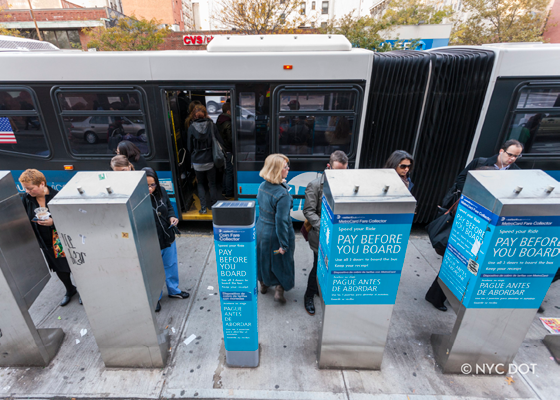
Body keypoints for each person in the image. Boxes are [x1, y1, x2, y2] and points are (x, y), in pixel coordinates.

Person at [19, 169, 81, 307]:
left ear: (42, 184)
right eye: (25, 188)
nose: (28, 191)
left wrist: (53, 222)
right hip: (44, 240)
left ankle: (83, 290)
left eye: (30, 188)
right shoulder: (27, 199)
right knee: (59, 268)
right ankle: (70, 290)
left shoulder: (57, 196)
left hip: (60, 239)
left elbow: (71, 219)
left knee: (72, 266)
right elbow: (23, 217)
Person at [302, 150, 348, 315]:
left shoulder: (346, 183)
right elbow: (308, 211)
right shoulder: (315, 185)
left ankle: (320, 289)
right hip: (321, 235)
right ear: (328, 167)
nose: (341, 176)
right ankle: (309, 295)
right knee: (318, 266)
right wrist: (326, 226)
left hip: (340, 235)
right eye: (337, 172)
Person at [142, 167, 189, 312]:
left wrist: (172, 217)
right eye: (146, 185)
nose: (150, 188)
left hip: (167, 237)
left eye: (152, 184)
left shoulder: (161, 191)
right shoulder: (137, 197)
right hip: (150, 241)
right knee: (153, 270)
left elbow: (169, 207)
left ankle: (173, 290)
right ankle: (156, 296)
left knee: (170, 264)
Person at [257, 154, 295, 304]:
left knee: (264, 258)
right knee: (282, 261)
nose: (288, 169)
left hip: (261, 230)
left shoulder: (262, 186)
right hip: (276, 235)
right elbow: (281, 222)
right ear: (278, 170)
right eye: (285, 167)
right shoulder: (283, 195)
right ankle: (279, 290)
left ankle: (264, 284)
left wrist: (282, 184)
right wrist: (284, 245)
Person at [187, 105, 222, 214]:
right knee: (212, 184)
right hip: (210, 160)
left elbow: (189, 147)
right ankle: (214, 206)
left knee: (201, 184)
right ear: (205, 113)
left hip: (197, 162)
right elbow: (219, 140)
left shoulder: (191, 127)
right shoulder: (211, 125)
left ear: (193, 114)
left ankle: (203, 208)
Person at [455, 139, 523, 192]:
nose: (512, 158)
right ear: (501, 151)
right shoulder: (479, 162)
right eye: (510, 154)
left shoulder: (517, 172)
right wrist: (471, 193)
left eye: (516, 156)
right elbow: (461, 179)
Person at [216, 102, 233, 198]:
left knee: (225, 171)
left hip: (222, 149)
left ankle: (224, 190)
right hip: (228, 150)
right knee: (229, 171)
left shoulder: (220, 120)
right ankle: (229, 192)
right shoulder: (228, 123)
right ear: (228, 111)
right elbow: (230, 139)